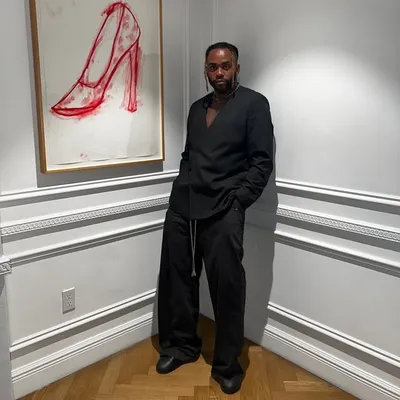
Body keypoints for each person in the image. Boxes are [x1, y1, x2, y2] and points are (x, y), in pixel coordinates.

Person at [156, 41, 274, 394]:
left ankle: (226, 364)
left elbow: (262, 162)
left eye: (225, 66)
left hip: (224, 208)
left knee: (227, 288)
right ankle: (180, 346)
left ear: (237, 67)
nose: (218, 72)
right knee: (177, 279)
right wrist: (182, 182)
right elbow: (189, 155)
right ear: (205, 70)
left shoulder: (254, 104)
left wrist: (238, 203)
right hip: (183, 206)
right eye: (212, 67)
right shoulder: (197, 108)